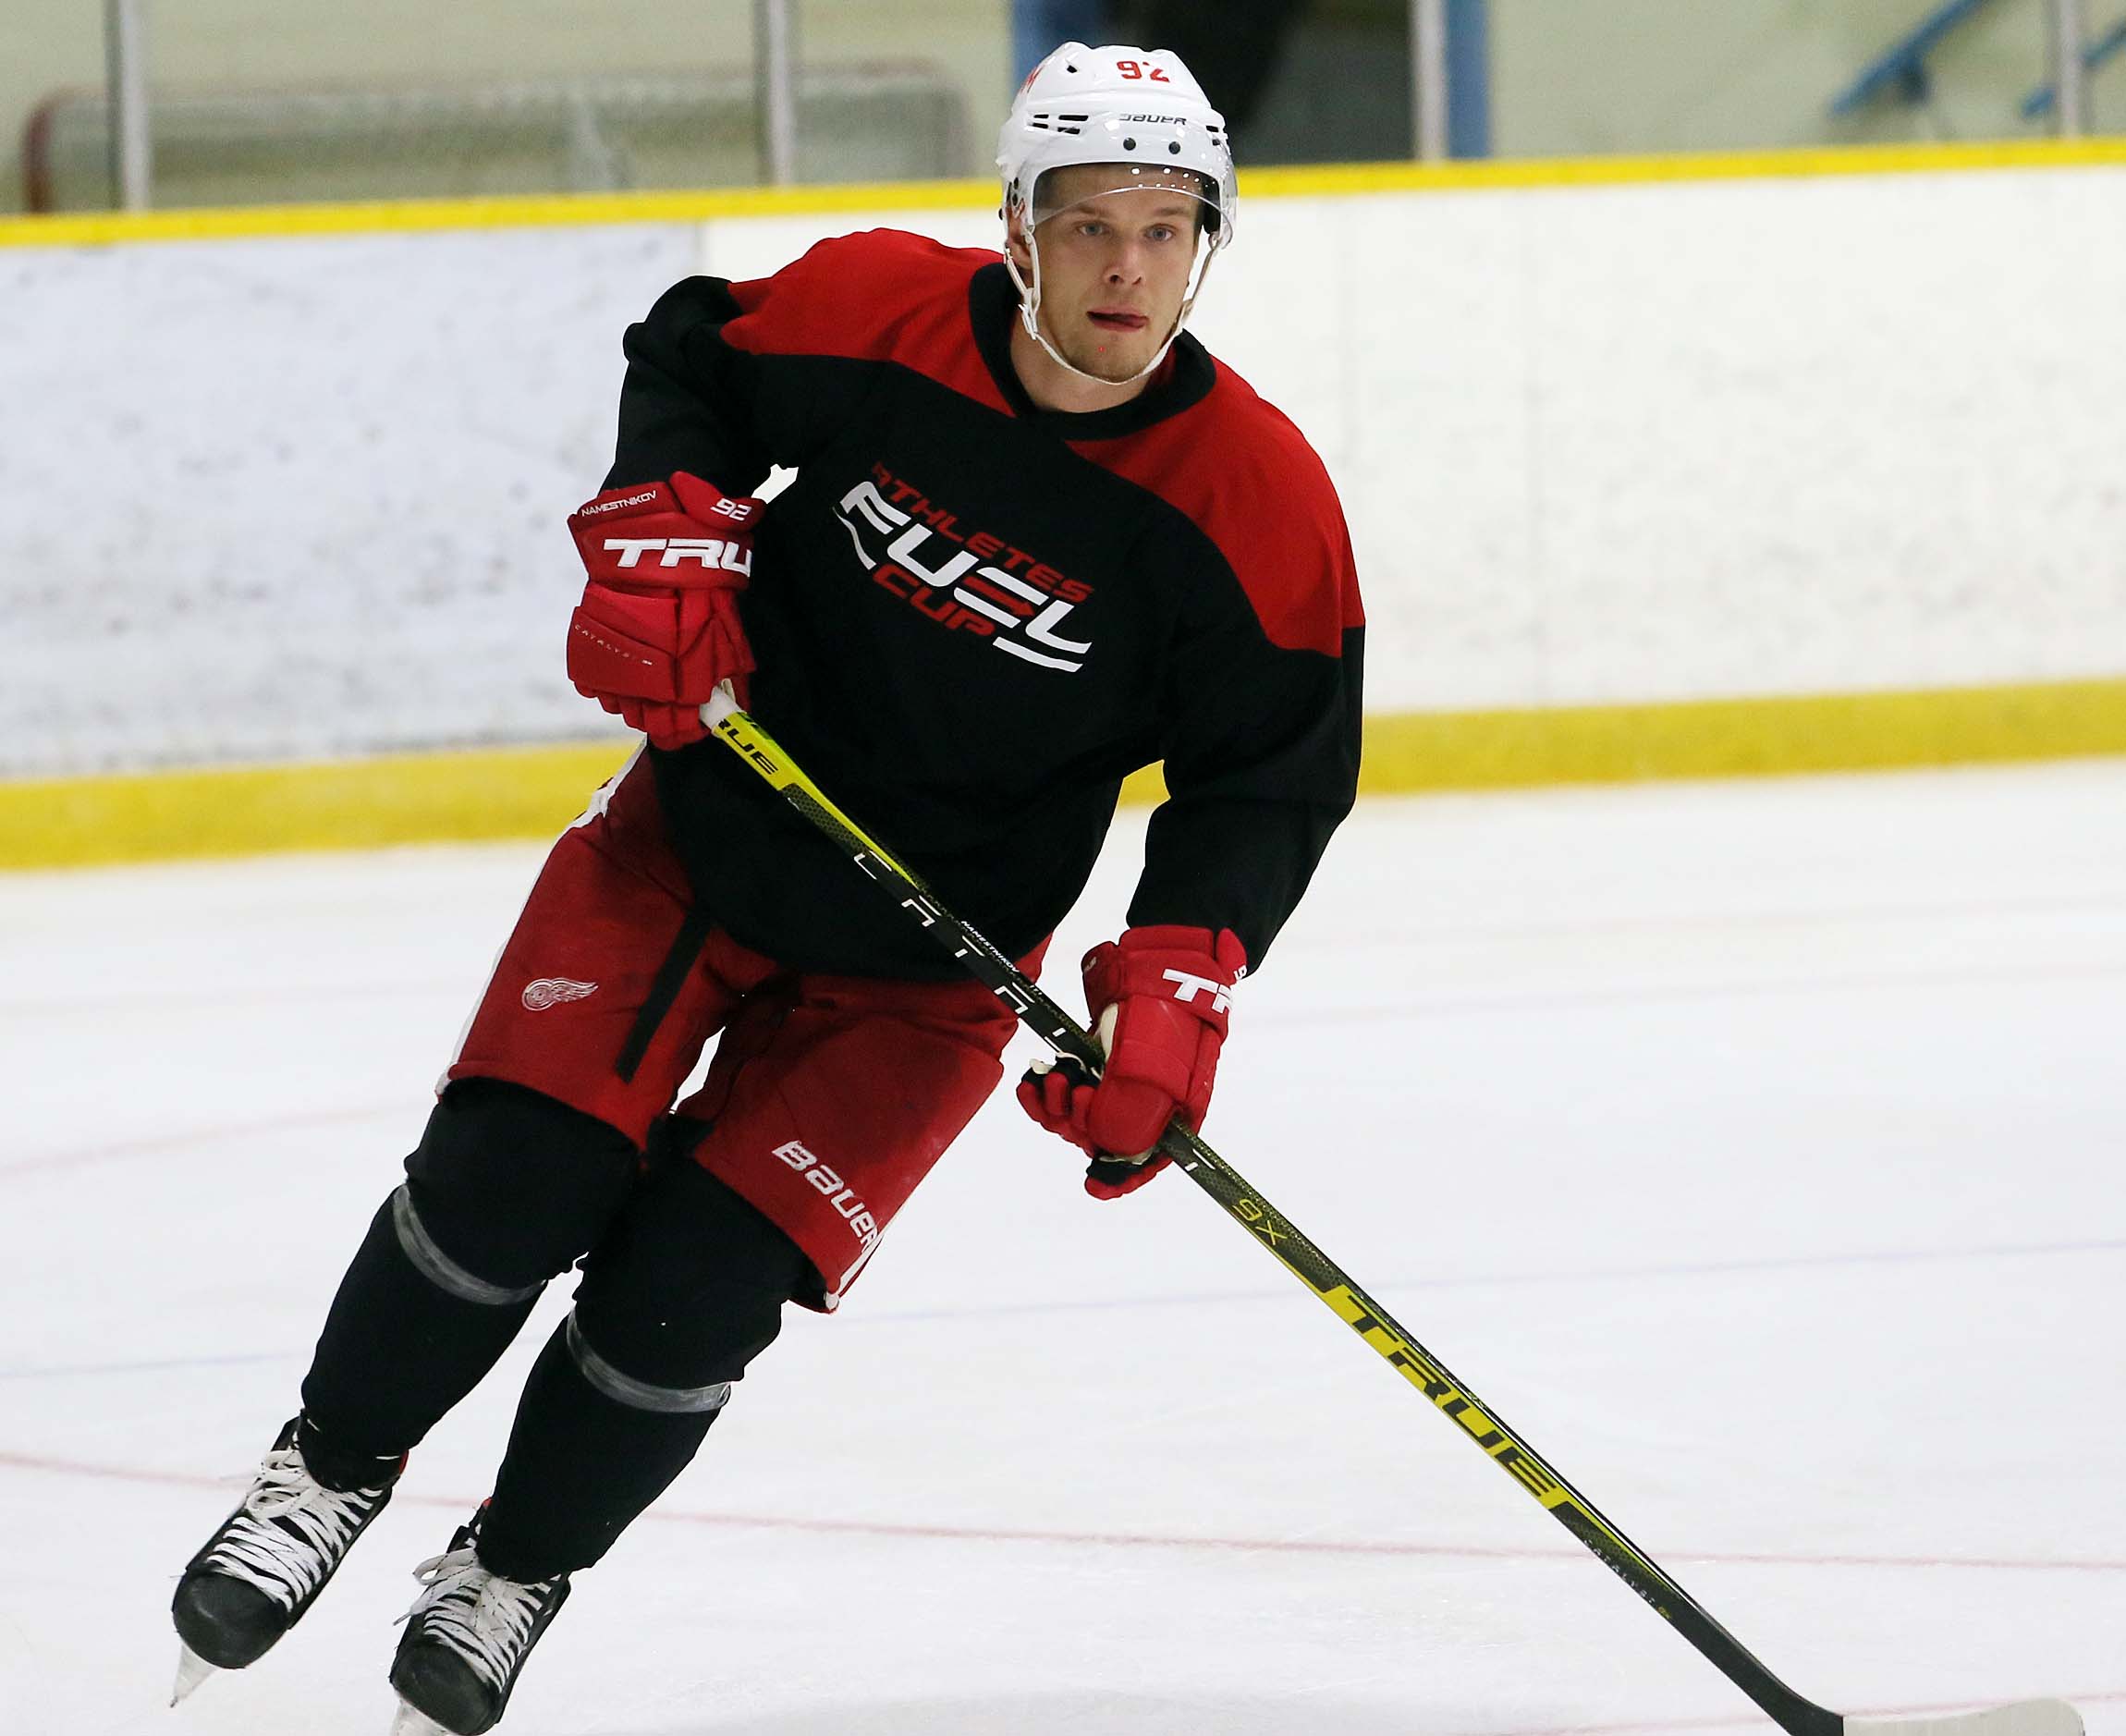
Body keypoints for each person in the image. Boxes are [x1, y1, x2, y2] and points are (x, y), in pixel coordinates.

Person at [168, 40, 1363, 1736]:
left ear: (1207, 245)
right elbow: (694, 356)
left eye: (1167, 229)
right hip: (695, 848)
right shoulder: (880, 310)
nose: (1128, 267)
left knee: (693, 1298)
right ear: (1016, 228)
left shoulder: (1258, 502)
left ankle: (511, 1567)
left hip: (930, 969)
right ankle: (328, 1468)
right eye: (1089, 222)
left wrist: (1180, 981)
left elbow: (1270, 777)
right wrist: (669, 530)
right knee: (513, 1177)